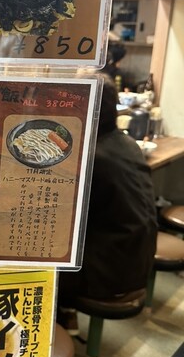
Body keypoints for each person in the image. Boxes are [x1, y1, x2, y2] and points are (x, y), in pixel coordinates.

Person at [57, 76, 157, 334]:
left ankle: (57, 321)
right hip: (137, 260)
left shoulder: (91, 155)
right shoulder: (126, 143)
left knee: (37, 254)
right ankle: (66, 315)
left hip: (112, 272)